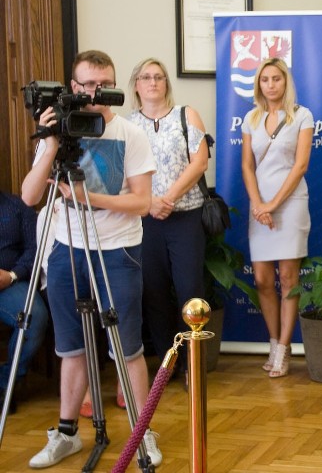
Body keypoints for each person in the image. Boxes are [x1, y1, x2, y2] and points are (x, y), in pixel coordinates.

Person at [21, 50, 162, 468]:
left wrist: (87, 197)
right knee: (71, 348)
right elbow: (30, 196)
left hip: (118, 252)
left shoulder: (130, 135)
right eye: (85, 85)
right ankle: (67, 434)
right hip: (66, 249)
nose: (94, 94)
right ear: (72, 85)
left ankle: (143, 434)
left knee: (128, 349)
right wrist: (49, 144)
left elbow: (142, 202)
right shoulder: (59, 131)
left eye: (103, 85)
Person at [127, 56, 209, 382]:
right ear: (136, 85)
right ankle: (167, 364)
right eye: (146, 77)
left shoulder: (186, 115)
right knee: (154, 292)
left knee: (190, 290)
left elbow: (199, 162)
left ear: (166, 84)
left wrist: (169, 198)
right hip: (145, 220)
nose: (153, 82)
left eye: (159, 77)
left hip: (185, 216)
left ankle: (193, 365)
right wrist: (150, 203)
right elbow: (125, 175)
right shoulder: (127, 124)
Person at [241, 58, 314, 378]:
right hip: (260, 208)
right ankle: (272, 341)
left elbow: (300, 166)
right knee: (261, 280)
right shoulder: (251, 118)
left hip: (291, 203)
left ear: (286, 82)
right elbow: (247, 166)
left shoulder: (302, 115)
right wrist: (259, 205)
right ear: (259, 84)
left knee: (288, 279)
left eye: (276, 78)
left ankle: (283, 349)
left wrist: (273, 205)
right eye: (265, 79)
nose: (271, 84)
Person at [0, 191, 48, 415]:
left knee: (34, 316)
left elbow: (34, 249)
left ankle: (5, 385)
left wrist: (12, 275)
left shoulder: (18, 205)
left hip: (10, 283)